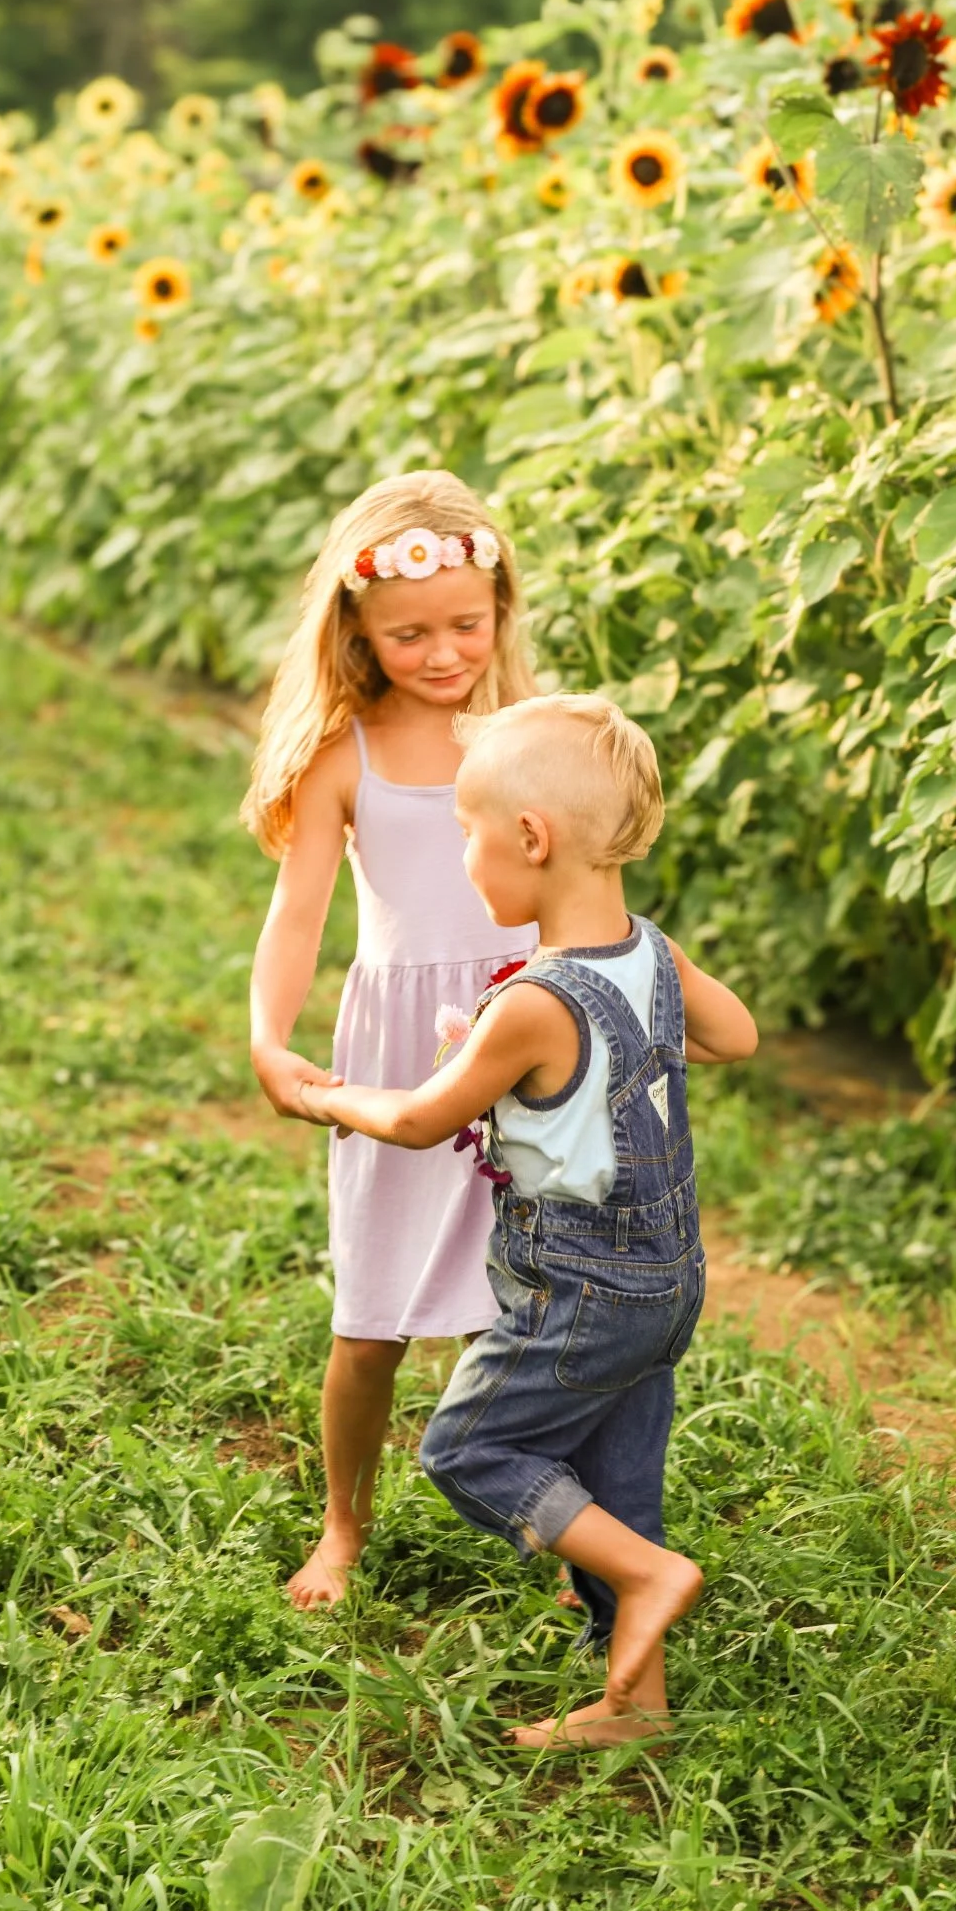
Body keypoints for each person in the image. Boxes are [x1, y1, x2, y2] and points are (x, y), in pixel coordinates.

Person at [299, 694, 758, 1747]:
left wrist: (329, 1095)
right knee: (615, 1479)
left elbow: (418, 1118)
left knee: (466, 1447)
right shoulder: (651, 953)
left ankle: (647, 1573)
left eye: (467, 830)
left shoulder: (534, 1001)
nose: (462, 853)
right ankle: (635, 1702)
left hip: (582, 1291)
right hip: (667, 1280)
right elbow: (738, 1035)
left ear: (532, 838)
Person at [243, 470, 538, 1608]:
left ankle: (552, 1519)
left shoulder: (521, 739)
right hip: (398, 1047)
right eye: (409, 633)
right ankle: (341, 1526)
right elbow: (300, 914)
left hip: (524, 1033)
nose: (443, 650)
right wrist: (272, 1038)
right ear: (358, 628)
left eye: (467, 624)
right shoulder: (345, 756)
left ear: (500, 610)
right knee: (372, 1319)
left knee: (532, 1302)